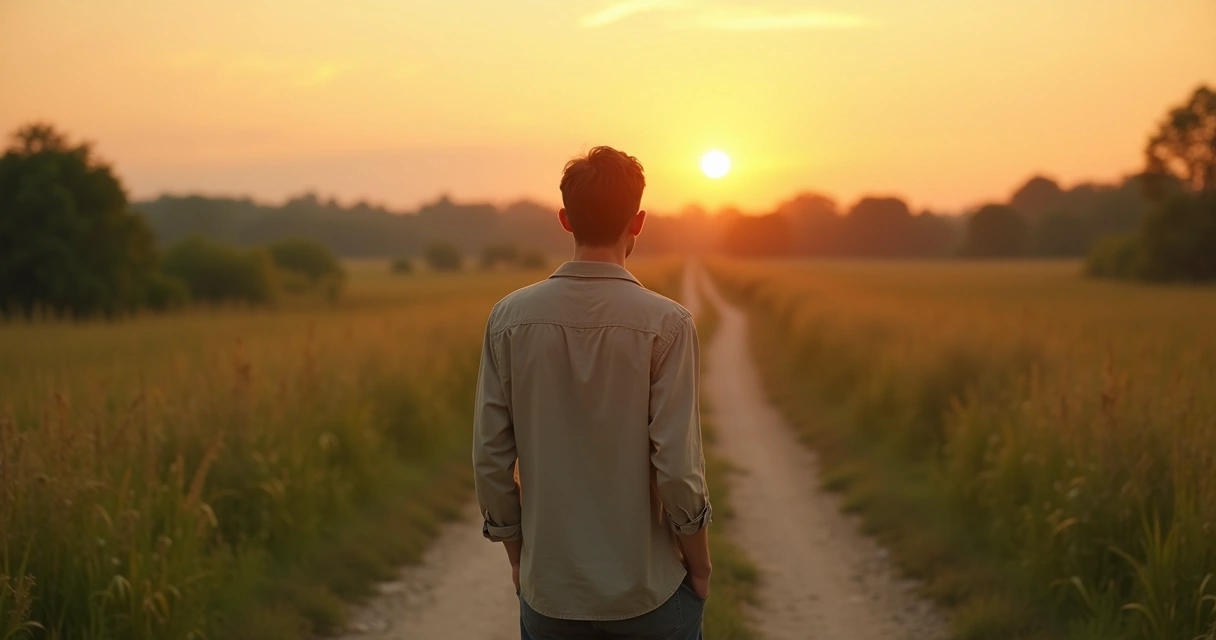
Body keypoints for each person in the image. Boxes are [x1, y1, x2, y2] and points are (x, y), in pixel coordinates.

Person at [473, 146, 713, 639]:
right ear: (638, 221)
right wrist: (701, 565)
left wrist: (518, 557)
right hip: (648, 594)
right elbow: (677, 468)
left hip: (550, 596)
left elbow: (490, 460)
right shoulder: (668, 324)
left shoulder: (508, 319)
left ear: (565, 219)